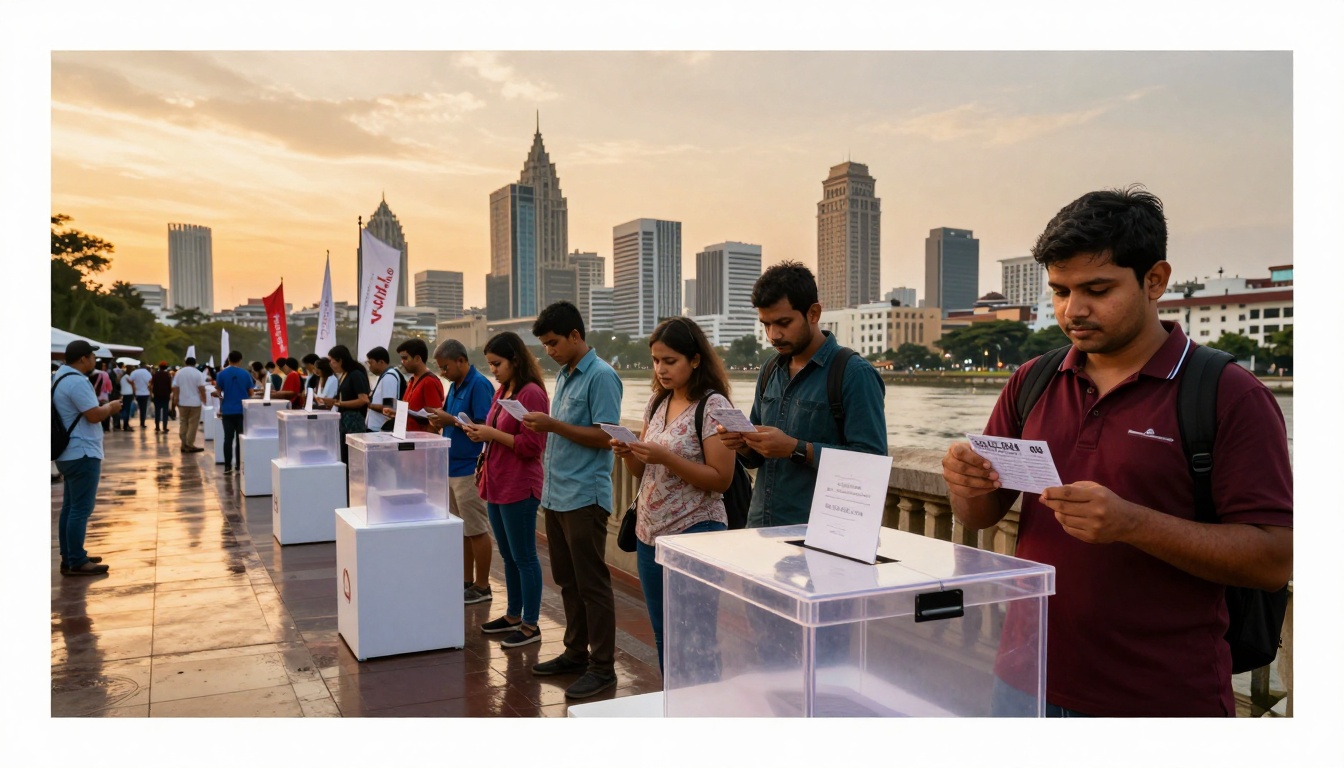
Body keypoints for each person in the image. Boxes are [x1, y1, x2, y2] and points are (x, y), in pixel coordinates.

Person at [941, 186, 1293, 717]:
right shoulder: (1034, 381)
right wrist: (964, 483)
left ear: (1155, 280)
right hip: (1022, 680)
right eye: (1059, 291)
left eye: (1097, 289)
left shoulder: (1228, 395)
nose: (1072, 310)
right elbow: (981, 513)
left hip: (1159, 700)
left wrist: (1133, 524)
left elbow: (1274, 558)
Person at [716, 261, 888, 527]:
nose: (774, 335)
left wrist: (796, 449)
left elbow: (872, 463)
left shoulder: (853, 374)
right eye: (766, 325)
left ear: (813, 313)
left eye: (783, 323)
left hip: (820, 534)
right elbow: (757, 458)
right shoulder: (770, 369)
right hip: (760, 527)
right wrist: (742, 444)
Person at [611, 317, 735, 673]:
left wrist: (666, 456)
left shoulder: (713, 406)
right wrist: (629, 453)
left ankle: (702, 711)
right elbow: (644, 473)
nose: (660, 369)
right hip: (650, 533)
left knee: (697, 636)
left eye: (670, 361)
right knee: (664, 633)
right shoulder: (656, 402)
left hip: (695, 531)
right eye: (656, 360)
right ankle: (672, 706)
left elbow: (721, 478)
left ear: (695, 360)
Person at [521, 301, 623, 700]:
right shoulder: (564, 375)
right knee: (567, 581)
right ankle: (575, 653)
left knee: (592, 584)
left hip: (585, 496)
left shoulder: (602, 376)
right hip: (558, 494)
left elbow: (607, 436)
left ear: (576, 336)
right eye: (545, 345)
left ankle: (603, 668)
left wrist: (552, 425)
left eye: (553, 343)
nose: (550, 351)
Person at [460, 333, 549, 645]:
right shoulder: (504, 390)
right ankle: (513, 613)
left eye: (497, 364)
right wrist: (481, 434)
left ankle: (530, 624)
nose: (493, 370)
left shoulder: (532, 394)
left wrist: (492, 433)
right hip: (496, 482)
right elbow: (496, 434)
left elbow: (532, 446)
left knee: (524, 556)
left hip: (519, 486)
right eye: (490, 365)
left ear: (515, 359)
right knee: (509, 556)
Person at [428, 339, 498, 609]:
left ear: (460, 360)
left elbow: (483, 426)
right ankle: (467, 580)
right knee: (462, 529)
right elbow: (453, 419)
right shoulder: (454, 386)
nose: (443, 373)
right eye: (440, 369)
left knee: (477, 529)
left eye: (445, 367)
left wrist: (451, 421)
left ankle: (483, 585)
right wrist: (441, 419)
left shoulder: (479, 385)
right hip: (452, 464)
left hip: (469, 467)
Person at [53, 340, 122, 575]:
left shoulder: (60, 377)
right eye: (92, 356)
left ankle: (70, 554)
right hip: (82, 451)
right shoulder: (77, 381)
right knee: (81, 508)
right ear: (83, 358)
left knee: (70, 507)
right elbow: (93, 416)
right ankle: (76, 560)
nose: (94, 360)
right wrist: (111, 407)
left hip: (68, 452)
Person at [374, 339, 443, 434]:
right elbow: (411, 411)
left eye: (405, 358)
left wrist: (426, 444)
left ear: (418, 358)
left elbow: (436, 419)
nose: (402, 362)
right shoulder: (412, 380)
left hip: (420, 442)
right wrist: (396, 413)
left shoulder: (429, 382)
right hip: (407, 439)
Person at [317, 345, 370, 464]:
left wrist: (337, 402)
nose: (330, 364)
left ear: (340, 360)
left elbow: (363, 400)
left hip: (354, 421)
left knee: (353, 458)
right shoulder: (344, 375)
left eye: (332, 361)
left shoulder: (355, 374)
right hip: (344, 420)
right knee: (345, 457)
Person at [215, 351, 253, 475]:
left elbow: (218, 392)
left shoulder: (221, 374)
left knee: (228, 438)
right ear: (240, 360)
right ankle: (238, 465)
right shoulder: (246, 374)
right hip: (242, 410)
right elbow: (251, 392)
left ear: (229, 359)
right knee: (240, 438)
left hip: (227, 410)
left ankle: (227, 466)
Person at [171, 357, 208, 453]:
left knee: (183, 422)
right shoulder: (197, 373)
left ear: (185, 362)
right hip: (195, 402)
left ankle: (184, 444)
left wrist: (176, 398)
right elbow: (201, 388)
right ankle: (189, 444)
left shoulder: (179, 373)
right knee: (193, 423)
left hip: (182, 402)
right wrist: (204, 399)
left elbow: (175, 387)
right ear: (195, 363)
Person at [364, 346, 404, 432]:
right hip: (377, 428)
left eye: (371, 363)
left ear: (381, 362)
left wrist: (368, 404)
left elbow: (388, 407)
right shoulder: (386, 376)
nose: (369, 367)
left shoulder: (389, 377)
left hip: (380, 429)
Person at [90, 360, 113, 433]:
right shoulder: (105, 374)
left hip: (94, 395)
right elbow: (109, 387)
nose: (105, 367)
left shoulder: (91, 373)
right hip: (104, 395)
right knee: (106, 411)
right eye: (103, 366)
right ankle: (106, 427)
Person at [129, 362, 153, 430]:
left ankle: (140, 420)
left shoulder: (135, 372)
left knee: (139, 407)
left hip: (137, 393)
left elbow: (130, 380)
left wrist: (134, 387)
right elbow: (150, 381)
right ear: (145, 366)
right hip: (145, 393)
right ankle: (142, 422)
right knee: (143, 408)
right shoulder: (147, 373)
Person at [151, 362, 173, 432]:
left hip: (157, 396)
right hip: (165, 396)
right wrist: (169, 392)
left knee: (157, 411)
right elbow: (170, 385)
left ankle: (157, 427)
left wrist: (152, 393)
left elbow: (151, 384)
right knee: (165, 412)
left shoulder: (155, 375)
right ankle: (164, 427)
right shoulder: (167, 375)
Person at [116, 362, 136, 430]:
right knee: (127, 410)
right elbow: (133, 384)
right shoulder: (128, 377)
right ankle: (126, 425)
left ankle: (122, 424)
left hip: (123, 394)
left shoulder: (122, 377)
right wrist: (134, 392)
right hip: (128, 394)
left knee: (124, 409)